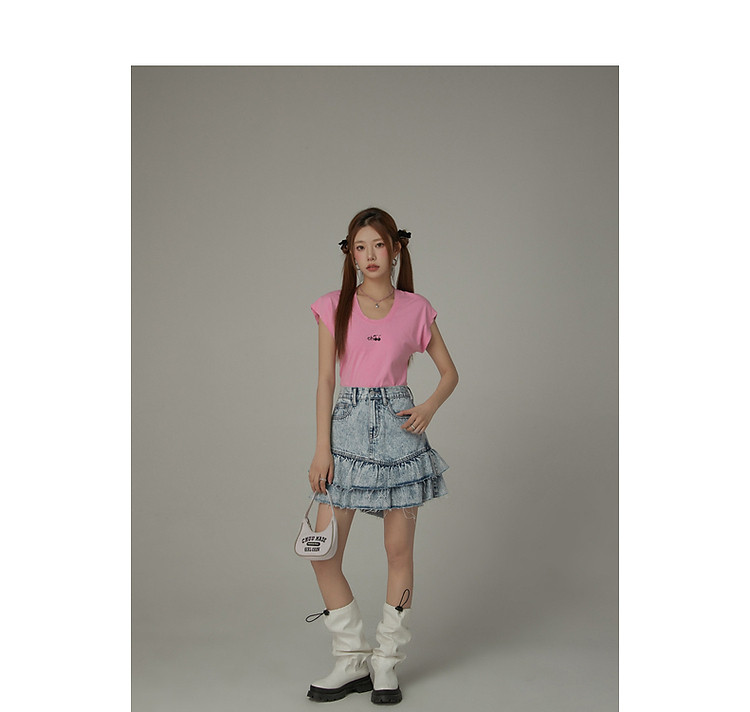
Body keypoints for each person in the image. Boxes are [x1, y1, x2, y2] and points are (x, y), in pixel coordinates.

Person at [304, 207, 459, 704]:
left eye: (378, 245)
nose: (369, 255)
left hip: (399, 435)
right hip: (345, 434)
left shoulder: (416, 308)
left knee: (398, 553)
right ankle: (351, 657)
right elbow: (325, 381)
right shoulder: (334, 305)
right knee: (323, 550)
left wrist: (428, 408)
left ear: (395, 250)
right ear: (350, 254)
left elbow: (449, 373)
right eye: (360, 247)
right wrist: (322, 448)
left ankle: (386, 662)